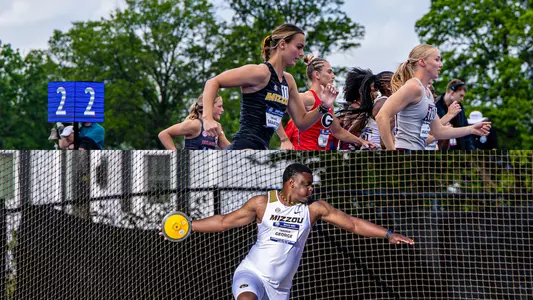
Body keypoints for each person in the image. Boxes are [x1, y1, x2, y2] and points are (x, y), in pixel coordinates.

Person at [182, 163, 414, 300]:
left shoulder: (314, 210)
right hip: (251, 273)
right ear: (291, 183)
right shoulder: (262, 203)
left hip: (280, 289)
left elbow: (353, 224)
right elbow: (223, 222)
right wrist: (187, 226)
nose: (311, 188)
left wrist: (387, 234)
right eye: (307, 184)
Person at [200, 24, 338, 150]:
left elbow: (302, 122)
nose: (302, 54)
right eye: (299, 47)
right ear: (283, 44)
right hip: (244, 147)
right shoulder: (261, 72)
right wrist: (207, 118)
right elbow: (212, 82)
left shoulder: (288, 81)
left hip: (263, 150)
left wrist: (323, 107)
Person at [375, 44, 491, 150]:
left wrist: (471, 129)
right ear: (422, 62)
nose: (441, 64)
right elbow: (381, 116)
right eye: (437, 59)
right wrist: (392, 152)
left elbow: (438, 131)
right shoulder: (413, 86)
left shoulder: (428, 93)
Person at [281, 55, 375, 150]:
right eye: (329, 72)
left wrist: (362, 141)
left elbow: (338, 132)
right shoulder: (307, 98)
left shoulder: (328, 104)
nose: (333, 76)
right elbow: (273, 109)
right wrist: (284, 140)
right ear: (317, 75)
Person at [158, 94, 230, 150]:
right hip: (189, 168)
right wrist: (175, 156)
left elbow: (230, 149)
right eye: (219, 106)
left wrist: (241, 148)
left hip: (207, 168)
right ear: (209, 106)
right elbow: (163, 134)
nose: (222, 110)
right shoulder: (195, 125)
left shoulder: (217, 127)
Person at [337, 67, 374, 150]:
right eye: (372, 91)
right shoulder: (355, 108)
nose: (376, 94)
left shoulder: (360, 107)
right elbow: (351, 132)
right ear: (361, 91)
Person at [358, 71, 394, 150]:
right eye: (397, 81)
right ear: (388, 86)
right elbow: (384, 139)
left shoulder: (381, 101)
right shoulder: (384, 103)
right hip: (375, 148)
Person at [435, 79, 474, 150]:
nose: (462, 99)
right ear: (452, 92)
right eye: (461, 95)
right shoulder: (434, 106)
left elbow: (466, 135)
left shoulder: (460, 108)